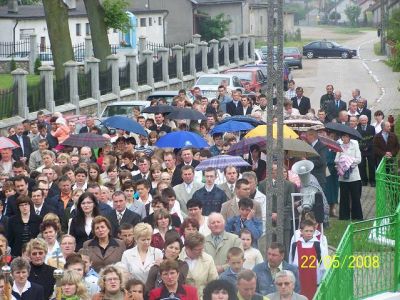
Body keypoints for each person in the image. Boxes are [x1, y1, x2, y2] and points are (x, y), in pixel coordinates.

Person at [288, 220, 327, 300]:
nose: (309, 233)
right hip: (300, 279)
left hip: (315, 280)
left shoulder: (318, 245)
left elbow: (324, 263)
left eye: (311, 231)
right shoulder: (295, 245)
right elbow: (291, 262)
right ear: (301, 231)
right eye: (306, 231)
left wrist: (324, 277)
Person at [179, 232, 218, 299]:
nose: (201, 251)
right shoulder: (178, 257)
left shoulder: (208, 259)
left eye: (202, 248)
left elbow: (214, 283)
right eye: (198, 249)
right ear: (187, 248)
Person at [335, 133, 363, 220]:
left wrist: (348, 161)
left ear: (349, 137)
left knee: (355, 196)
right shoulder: (339, 147)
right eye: (343, 137)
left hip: (354, 175)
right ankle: (344, 216)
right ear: (341, 138)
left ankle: (357, 216)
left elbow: (358, 159)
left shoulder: (355, 145)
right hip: (343, 175)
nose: (345, 138)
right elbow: (336, 160)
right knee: (344, 197)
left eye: (346, 137)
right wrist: (342, 162)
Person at [357, 115, 376, 187]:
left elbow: (373, 138)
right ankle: (364, 180)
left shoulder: (372, 128)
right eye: (362, 120)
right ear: (359, 121)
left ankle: (372, 180)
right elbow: (357, 140)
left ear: (367, 120)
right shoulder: (357, 128)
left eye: (365, 120)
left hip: (370, 149)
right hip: (361, 150)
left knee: (371, 165)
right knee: (362, 165)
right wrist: (362, 147)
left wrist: (367, 146)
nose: (364, 122)